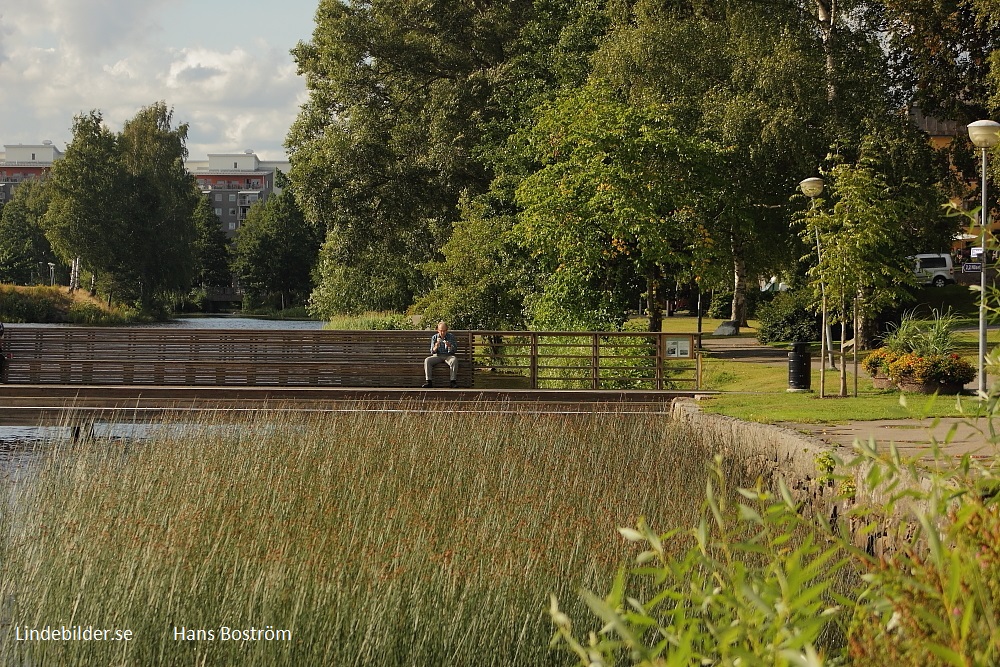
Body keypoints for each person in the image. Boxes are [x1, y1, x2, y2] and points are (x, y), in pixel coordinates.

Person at [423, 321, 458, 388]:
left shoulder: (451, 337)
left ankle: (453, 381)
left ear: (447, 330)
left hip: (448, 356)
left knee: (454, 360)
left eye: (444, 331)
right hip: (437, 356)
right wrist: (436, 346)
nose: (442, 333)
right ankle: (429, 381)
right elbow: (432, 351)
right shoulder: (434, 337)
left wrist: (449, 346)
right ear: (438, 330)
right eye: (441, 331)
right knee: (427, 360)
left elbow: (455, 350)